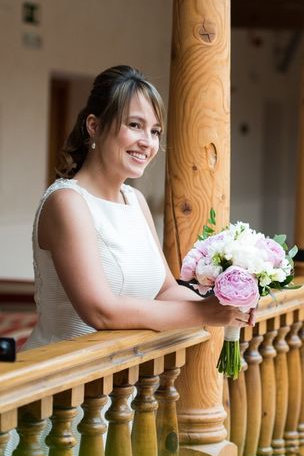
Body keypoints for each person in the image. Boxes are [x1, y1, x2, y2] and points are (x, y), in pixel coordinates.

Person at [22, 65, 254, 351]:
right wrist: (205, 313)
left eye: (155, 131)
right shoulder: (67, 202)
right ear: (93, 126)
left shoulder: (134, 201)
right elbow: (100, 311)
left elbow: (165, 290)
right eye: (134, 125)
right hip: (66, 377)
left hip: (122, 380)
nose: (148, 142)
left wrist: (228, 304)